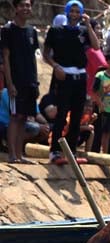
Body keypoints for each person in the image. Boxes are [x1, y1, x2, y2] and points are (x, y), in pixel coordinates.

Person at [43, 0, 99, 164]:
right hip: (63, 75)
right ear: (67, 12)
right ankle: (54, 151)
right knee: (61, 114)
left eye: (77, 11)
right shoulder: (55, 30)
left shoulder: (83, 31)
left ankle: (71, 151)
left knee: (76, 115)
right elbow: (46, 54)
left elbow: (96, 47)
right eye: (72, 11)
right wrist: (55, 67)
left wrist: (88, 25)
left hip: (80, 77)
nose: (74, 14)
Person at [1, 0, 39, 164]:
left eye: (28, 5)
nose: (26, 8)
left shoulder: (32, 31)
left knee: (24, 117)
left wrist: (36, 81)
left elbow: (33, 58)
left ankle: (20, 153)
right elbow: (6, 57)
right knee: (15, 116)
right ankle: (12, 155)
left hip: (29, 81)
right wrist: (9, 83)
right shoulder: (8, 30)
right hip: (16, 80)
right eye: (22, 5)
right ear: (16, 8)